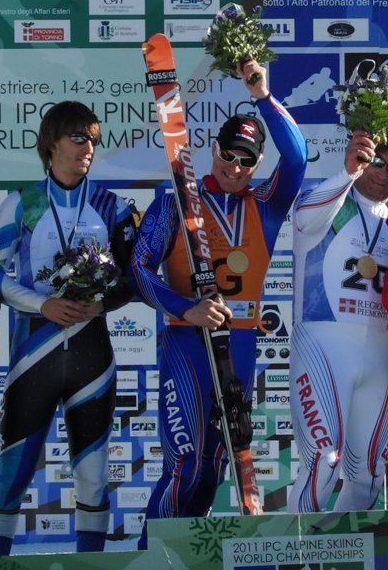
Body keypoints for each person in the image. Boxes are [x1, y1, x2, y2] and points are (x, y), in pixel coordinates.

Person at [131, 57, 307, 530]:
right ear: (213, 149)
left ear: (258, 164)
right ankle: (151, 558)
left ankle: (190, 557)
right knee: (184, 465)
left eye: (247, 160)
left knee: (216, 466)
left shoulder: (266, 205)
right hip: (187, 344)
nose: (235, 167)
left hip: (242, 343)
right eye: (229, 154)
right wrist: (186, 309)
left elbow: (297, 158)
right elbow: (139, 269)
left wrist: (262, 96)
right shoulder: (174, 202)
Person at [0, 102, 139, 556]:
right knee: (13, 469)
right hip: (34, 353)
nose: (88, 148)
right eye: (78, 138)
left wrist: (100, 303)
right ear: (51, 143)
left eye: (93, 139)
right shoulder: (23, 202)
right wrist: (42, 304)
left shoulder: (111, 205)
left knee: (93, 474)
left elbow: (135, 278)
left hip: (92, 353)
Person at [288, 129, 388, 513]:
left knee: (371, 474)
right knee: (323, 462)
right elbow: (303, 220)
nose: (382, 174)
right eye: (377, 162)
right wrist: (348, 173)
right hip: (322, 346)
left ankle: (343, 547)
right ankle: (294, 548)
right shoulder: (330, 203)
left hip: (376, 354)